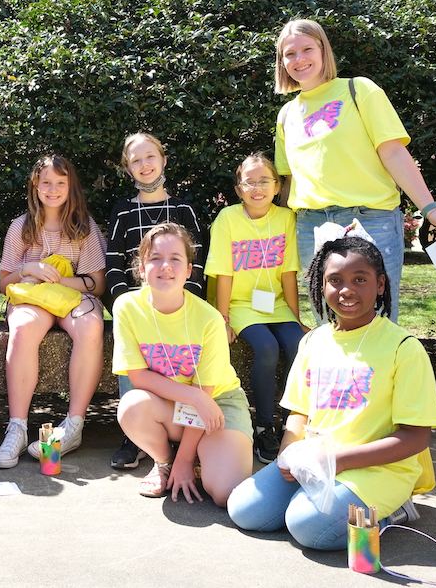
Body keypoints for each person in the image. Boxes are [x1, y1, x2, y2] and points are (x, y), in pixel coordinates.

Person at [227, 235, 436, 551]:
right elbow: (299, 412)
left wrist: (337, 460)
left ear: (380, 284)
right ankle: (323, 501)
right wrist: (289, 454)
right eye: (335, 280)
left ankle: (394, 510)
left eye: (360, 279)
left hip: (378, 469)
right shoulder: (313, 341)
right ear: (321, 286)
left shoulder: (403, 348)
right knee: (245, 510)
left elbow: (416, 437)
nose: (347, 289)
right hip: (317, 461)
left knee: (306, 526)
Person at [273, 19, 436, 322]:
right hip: (310, 227)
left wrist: (432, 210)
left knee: (377, 323)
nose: (299, 59)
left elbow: (393, 152)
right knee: (329, 325)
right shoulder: (287, 114)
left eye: (307, 49)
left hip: (370, 221)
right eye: (289, 54)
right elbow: (288, 181)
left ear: (323, 51)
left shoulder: (360, 90)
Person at [114, 223, 253, 505]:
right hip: (173, 403)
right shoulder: (127, 307)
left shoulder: (210, 319)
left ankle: (197, 455)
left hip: (218, 404)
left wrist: (187, 460)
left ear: (189, 269)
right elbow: (138, 377)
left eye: (175, 259)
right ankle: (165, 460)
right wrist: (192, 396)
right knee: (132, 406)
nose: (165, 266)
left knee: (225, 494)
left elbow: (207, 394)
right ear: (142, 268)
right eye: (155, 258)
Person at [0, 155, 107, 468]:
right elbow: (4, 283)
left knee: (91, 326)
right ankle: (16, 427)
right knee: (25, 327)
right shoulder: (21, 227)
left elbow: (96, 284)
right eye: (46, 182)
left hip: (72, 298)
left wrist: (58, 277)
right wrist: (29, 268)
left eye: (60, 183)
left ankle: (73, 426)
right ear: (35, 185)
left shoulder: (85, 228)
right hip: (33, 299)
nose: (53, 189)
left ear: (71, 187)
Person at [105, 132, 208, 470]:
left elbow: (199, 260)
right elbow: (114, 265)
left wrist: (184, 300)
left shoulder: (184, 208)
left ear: (163, 160)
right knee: (130, 353)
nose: (144, 164)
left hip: (179, 306)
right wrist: (126, 305)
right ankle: (132, 437)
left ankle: (187, 430)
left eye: (150, 156)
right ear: (128, 168)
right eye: (136, 160)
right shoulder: (122, 213)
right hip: (137, 308)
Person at [205, 152, 307, 464]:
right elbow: (224, 273)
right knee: (266, 347)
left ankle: (295, 426)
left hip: (276, 304)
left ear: (278, 186)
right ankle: (264, 425)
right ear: (238, 189)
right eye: (249, 182)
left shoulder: (286, 219)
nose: (257, 188)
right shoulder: (228, 219)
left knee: (298, 345)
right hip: (240, 304)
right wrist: (223, 319)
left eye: (265, 181)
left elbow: (288, 273)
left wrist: (296, 317)